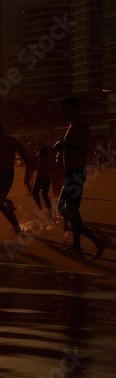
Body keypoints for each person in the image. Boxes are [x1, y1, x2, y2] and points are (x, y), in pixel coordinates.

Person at [55, 96, 111, 259]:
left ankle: (97, 241)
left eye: (64, 110)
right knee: (62, 208)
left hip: (76, 173)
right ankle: (78, 244)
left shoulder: (81, 125)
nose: (62, 113)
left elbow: (83, 149)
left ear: (73, 108)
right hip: (70, 173)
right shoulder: (72, 126)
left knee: (71, 210)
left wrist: (64, 145)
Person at [30, 147, 54, 219]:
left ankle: (41, 208)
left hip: (42, 179)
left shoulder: (41, 160)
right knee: (44, 195)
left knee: (35, 193)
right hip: (46, 179)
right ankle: (49, 212)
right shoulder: (46, 160)